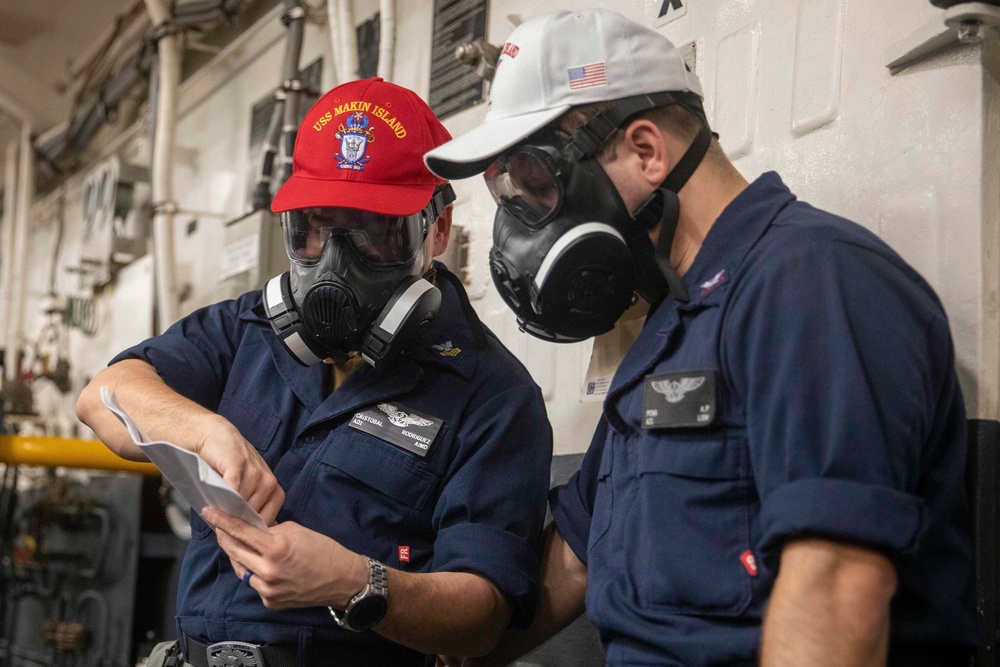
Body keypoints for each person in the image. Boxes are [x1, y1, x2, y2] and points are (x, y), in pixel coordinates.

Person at [424, 9, 976, 667]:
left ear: (647, 151)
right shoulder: (671, 327)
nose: (524, 224)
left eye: (536, 183)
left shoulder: (811, 286)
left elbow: (831, 592)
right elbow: (571, 566)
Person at [76, 77, 553, 667]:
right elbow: (105, 396)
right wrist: (204, 431)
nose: (333, 264)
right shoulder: (245, 328)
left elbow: (483, 618)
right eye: (313, 230)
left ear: (438, 229)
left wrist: (356, 585)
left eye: (375, 234)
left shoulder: (493, 396)